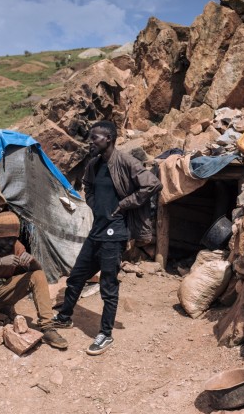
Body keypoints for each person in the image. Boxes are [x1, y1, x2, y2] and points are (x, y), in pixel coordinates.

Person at [51, 120, 162, 355]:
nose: (91, 142)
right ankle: (64, 316)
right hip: (97, 231)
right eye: (90, 138)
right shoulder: (93, 164)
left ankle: (105, 334)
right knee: (76, 277)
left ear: (108, 139)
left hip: (115, 233)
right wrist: (92, 203)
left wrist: (125, 203)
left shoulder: (125, 161)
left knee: (108, 285)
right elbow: (88, 186)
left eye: (95, 138)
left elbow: (153, 184)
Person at [0, 211, 68, 362]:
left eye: (13, 239)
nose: (11, 243)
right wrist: (0, 262)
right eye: (6, 239)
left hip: (2, 293)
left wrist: (32, 261)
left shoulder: (15, 246)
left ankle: (48, 327)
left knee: (37, 275)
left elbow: (36, 270)